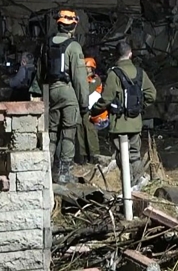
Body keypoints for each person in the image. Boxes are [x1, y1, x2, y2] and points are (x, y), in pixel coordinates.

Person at [91, 41, 155, 187]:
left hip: (118, 123)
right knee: (135, 154)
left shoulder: (113, 74)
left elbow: (106, 99)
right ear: (130, 54)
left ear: (116, 55)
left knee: (121, 156)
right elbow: (152, 94)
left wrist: (95, 109)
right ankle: (136, 183)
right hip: (135, 122)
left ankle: (127, 186)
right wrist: (140, 107)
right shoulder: (140, 73)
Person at [46, 9, 90, 184]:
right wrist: (84, 104)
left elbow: (41, 72)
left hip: (49, 91)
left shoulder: (46, 44)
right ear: (73, 26)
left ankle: (46, 171)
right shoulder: (73, 46)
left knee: (51, 133)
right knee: (68, 133)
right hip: (67, 91)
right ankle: (64, 173)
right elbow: (79, 78)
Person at [75, 57, 103, 164]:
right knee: (80, 132)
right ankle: (83, 157)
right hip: (82, 109)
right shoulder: (81, 79)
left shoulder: (95, 79)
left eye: (86, 67)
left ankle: (95, 157)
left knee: (91, 133)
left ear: (91, 68)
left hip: (91, 110)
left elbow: (87, 90)